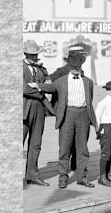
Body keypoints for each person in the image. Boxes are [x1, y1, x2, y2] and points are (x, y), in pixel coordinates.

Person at [32, 46, 98, 188]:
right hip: (67, 115)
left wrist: (88, 115)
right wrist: (37, 85)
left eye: (77, 66)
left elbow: (89, 99)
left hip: (83, 116)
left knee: (82, 149)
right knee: (64, 147)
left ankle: (82, 176)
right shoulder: (61, 81)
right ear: (69, 66)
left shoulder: (88, 82)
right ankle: (63, 176)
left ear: (81, 66)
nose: (75, 68)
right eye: (73, 66)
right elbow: (50, 88)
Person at [23, 40, 54, 186]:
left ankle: (32, 175)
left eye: (36, 55)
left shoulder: (42, 69)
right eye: (33, 55)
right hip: (24, 109)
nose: (35, 57)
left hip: (39, 109)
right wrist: (40, 93)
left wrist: (39, 87)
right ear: (26, 54)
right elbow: (23, 89)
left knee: (36, 143)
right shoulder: (20, 67)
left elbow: (50, 86)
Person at [95, 80, 111, 187]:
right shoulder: (103, 102)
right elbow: (97, 116)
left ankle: (107, 174)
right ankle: (102, 176)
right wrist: (98, 131)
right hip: (105, 127)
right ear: (107, 91)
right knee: (106, 152)